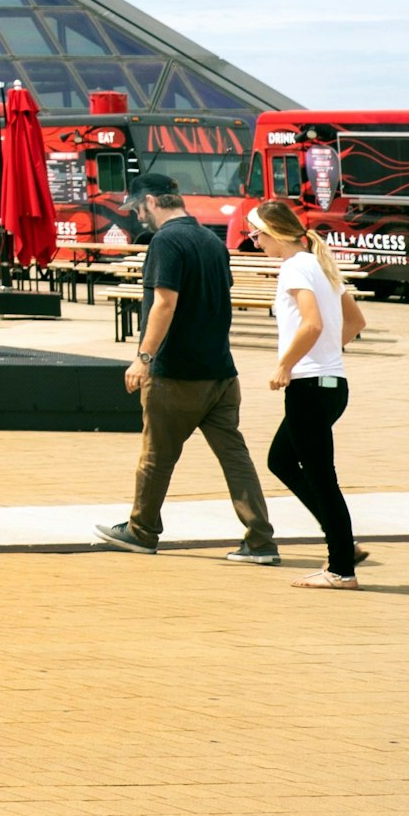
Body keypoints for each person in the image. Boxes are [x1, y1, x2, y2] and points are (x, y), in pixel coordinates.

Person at [98, 179, 280, 563]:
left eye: (137, 209)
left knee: (156, 456)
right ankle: (261, 540)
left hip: (176, 374)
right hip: (221, 373)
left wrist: (143, 358)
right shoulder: (212, 242)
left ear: (150, 201)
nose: (137, 216)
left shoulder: (166, 242)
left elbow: (165, 302)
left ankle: (142, 531)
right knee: (235, 458)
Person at [257, 199, 367, 589]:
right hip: (331, 385)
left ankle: (341, 568)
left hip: (309, 387)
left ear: (274, 233)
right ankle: (342, 544)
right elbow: (355, 321)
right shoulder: (319, 263)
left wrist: (286, 364)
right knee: (281, 460)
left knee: (321, 479)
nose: (255, 244)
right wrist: (325, 356)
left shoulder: (294, 266)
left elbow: (312, 323)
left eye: (257, 235)